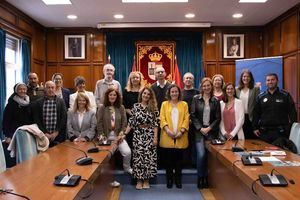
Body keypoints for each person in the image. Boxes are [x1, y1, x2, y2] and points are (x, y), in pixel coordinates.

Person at [124, 87, 159, 189]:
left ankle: (147, 180)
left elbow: (156, 124)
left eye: (148, 94)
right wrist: (125, 133)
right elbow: (131, 122)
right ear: (141, 94)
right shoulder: (136, 106)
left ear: (150, 96)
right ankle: (139, 180)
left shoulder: (153, 108)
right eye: (144, 93)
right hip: (138, 134)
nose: (146, 95)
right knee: (138, 157)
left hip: (150, 135)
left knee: (149, 158)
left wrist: (155, 138)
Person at [191, 77, 221, 189]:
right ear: (201, 87)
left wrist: (209, 128)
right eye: (204, 86)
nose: (206, 87)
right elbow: (193, 115)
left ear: (211, 87)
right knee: (201, 154)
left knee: (210, 156)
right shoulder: (196, 98)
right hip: (199, 131)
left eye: (208, 85)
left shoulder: (215, 100)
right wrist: (200, 128)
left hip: (211, 132)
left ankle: (207, 178)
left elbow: (218, 118)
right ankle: (200, 178)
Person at [252, 73, 297, 144]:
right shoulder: (260, 97)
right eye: (268, 80)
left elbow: (292, 113)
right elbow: (256, 113)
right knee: (264, 154)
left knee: (282, 154)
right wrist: (255, 128)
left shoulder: (285, 95)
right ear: (266, 82)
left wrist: (290, 128)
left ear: (277, 81)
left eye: (272, 80)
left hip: (281, 132)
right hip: (264, 133)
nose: (270, 82)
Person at [159, 84, 189, 189]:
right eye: (172, 92)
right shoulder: (164, 104)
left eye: (176, 91)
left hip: (181, 136)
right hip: (168, 136)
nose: (174, 93)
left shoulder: (184, 104)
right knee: (168, 162)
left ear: (179, 93)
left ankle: (178, 180)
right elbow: (162, 118)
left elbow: (186, 119)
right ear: (169, 93)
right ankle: (169, 180)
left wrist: (181, 131)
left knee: (179, 162)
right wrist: (167, 130)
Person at [96, 88, 132, 175]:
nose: (112, 96)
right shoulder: (102, 107)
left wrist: (121, 134)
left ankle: (127, 168)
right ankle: (106, 175)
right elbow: (99, 123)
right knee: (106, 156)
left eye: (114, 95)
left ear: (117, 97)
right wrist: (101, 134)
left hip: (118, 137)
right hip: (106, 137)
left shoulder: (121, 107)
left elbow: (124, 123)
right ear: (107, 96)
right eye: (110, 95)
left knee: (127, 152)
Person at [2, 83, 31, 167]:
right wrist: (7, 135)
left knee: (24, 155)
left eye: (24, 89)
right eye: (20, 89)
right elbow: (6, 121)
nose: (23, 91)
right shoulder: (11, 103)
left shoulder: (28, 101)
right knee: (14, 157)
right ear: (16, 90)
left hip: (25, 132)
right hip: (13, 133)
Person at [31, 81, 67, 147]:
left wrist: (56, 132)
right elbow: (37, 119)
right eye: (48, 88)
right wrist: (44, 132)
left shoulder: (61, 101)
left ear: (55, 89)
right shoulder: (38, 102)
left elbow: (63, 118)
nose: (50, 89)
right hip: (42, 136)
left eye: (52, 87)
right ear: (45, 89)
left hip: (58, 136)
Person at [123, 71, 145, 149]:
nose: (135, 79)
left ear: (140, 79)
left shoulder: (144, 91)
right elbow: (125, 106)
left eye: (137, 77)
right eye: (133, 78)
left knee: (141, 142)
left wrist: (139, 115)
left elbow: (147, 104)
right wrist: (134, 114)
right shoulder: (126, 91)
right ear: (130, 79)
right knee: (131, 141)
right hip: (130, 119)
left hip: (143, 120)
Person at [181, 72, 199, 167]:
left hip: (195, 122)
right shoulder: (180, 92)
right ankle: (184, 162)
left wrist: (192, 119)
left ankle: (193, 163)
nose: (188, 80)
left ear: (193, 80)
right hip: (183, 122)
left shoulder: (198, 92)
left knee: (194, 143)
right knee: (184, 142)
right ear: (183, 80)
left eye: (190, 78)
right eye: (186, 78)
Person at [236, 69, 260, 139]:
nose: (245, 78)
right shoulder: (237, 89)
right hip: (239, 117)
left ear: (250, 78)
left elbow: (257, 104)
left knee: (250, 139)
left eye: (248, 76)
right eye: (244, 76)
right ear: (241, 78)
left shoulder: (255, 89)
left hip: (251, 118)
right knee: (240, 138)